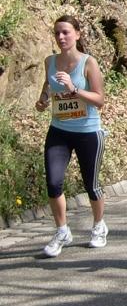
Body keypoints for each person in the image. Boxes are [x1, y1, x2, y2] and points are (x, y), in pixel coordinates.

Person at [34, 15, 108, 257]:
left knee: (91, 184)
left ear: (77, 34)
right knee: (53, 182)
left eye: (65, 32)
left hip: (88, 131)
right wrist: (43, 100)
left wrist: (74, 89)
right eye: (57, 33)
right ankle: (62, 230)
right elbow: (48, 87)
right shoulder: (50, 62)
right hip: (59, 131)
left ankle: (99, 226)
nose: (61, 37)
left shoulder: (89, 63)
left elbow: (99, 100)